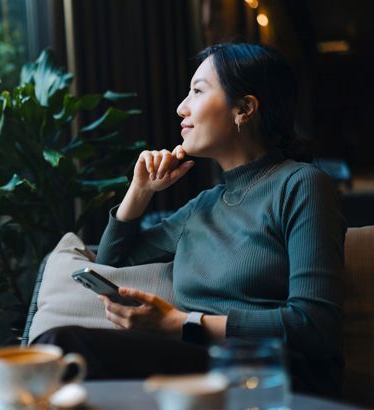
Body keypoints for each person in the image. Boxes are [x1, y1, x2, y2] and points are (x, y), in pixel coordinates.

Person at [34, 42, 346, 398]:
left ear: (244, 109)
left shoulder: (302, 185)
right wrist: (139, 191)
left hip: (275, 373)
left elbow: (317, 328)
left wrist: (179, 324)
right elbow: (111, 264)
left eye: (197, 91)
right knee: (57, 356)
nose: (181, 107)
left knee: (64, 346)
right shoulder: (202, 207)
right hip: (199, 366)